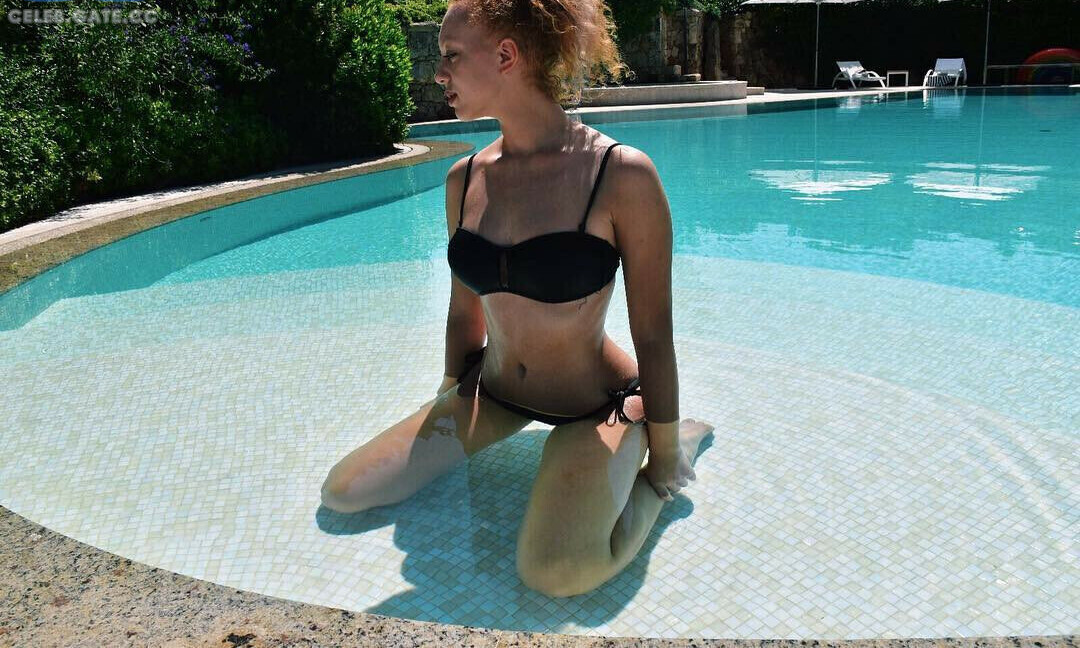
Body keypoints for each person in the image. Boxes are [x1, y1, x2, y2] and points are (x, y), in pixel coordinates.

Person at [321, 0, 713, 597]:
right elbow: (464, 312)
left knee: (556, 572)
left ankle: (675, 441)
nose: (438, 72)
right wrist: (446, 401)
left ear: (506, 55)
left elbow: (654, 334)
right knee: (345, 492)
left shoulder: (619, 175)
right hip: (493, 393)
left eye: (452, 56)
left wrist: (662, 458)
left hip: (596, 405)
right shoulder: (465, 179)